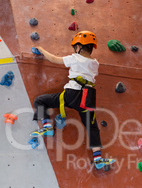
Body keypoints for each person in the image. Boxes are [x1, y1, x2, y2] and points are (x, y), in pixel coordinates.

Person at [31, 30, 115, 170]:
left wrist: (41, 50)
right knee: (92, 127)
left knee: (40, 100)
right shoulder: (95, 63)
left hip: (71, 95)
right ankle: (98, 158)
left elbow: (54, 59)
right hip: (87, 99)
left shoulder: (75, 58)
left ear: (79, 47)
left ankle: (47, 126)